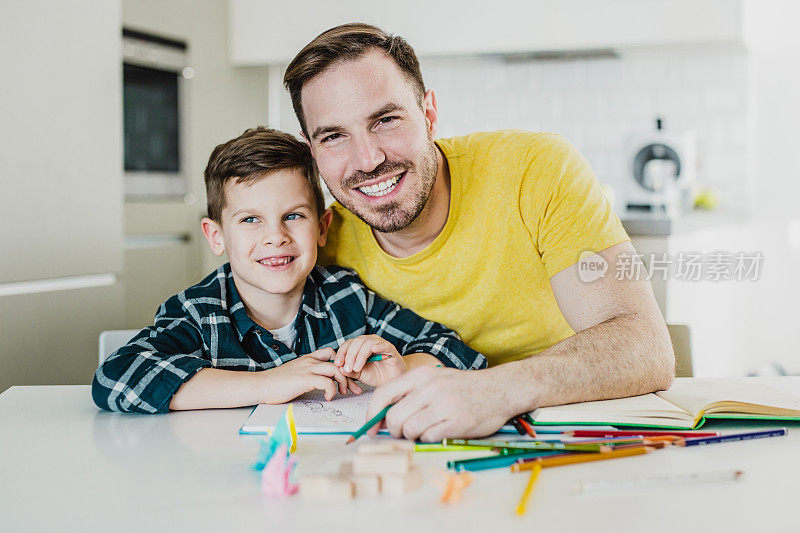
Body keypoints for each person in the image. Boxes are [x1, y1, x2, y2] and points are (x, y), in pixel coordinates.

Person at [283, 23, 675, 441]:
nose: (367, 159)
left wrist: (495, 390)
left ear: (429, 115)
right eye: (334, 136)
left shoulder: (537, 168)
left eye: (386, 120)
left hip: (565, 442)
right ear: (312, 150)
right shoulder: (315, 237)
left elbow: (645, 346)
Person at [92, 127, 485, 414]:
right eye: (250, 220)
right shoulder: (199, 312)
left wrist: (399, 369)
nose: (275, 237)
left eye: (293, 216)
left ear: (322, 228)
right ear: (216, 236)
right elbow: (116, 376)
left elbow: (460, 354)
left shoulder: (346, 298)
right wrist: (266, 384)